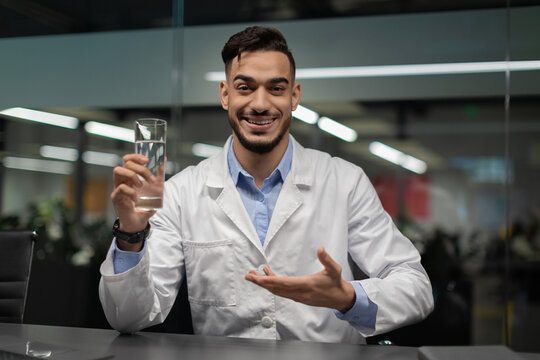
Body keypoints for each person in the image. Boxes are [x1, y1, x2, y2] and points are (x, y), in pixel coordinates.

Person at [99, 26, 433, 344]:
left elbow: (416, 288)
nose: (260, 104)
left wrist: (349, 297)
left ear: (294, 96)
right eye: (245, 87)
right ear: (225, 94)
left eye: (276, 88)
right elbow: (128, 318)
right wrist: (131, 233)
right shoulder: (182, 193)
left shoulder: (344, 181)